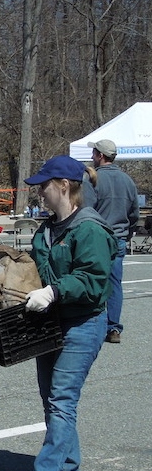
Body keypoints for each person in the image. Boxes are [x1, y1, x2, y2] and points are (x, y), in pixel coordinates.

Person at [10, 155, 114, 471]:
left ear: (64, 186)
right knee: (51, 399)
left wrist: (54, 291)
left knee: (61, 399)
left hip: (83, 322)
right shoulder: (47, 229)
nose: (40, 191)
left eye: (44, 185)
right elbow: (37, 271)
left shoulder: (90, 229)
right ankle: (68, 467)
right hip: (50, 322)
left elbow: (94, 281)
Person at [81, 139, 139, 344]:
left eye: (94, 152)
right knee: (115, 284)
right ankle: (113, 328)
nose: (92, 156)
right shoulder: (127, 180)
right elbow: (134, 213)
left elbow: (85, 210)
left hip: (97, 238)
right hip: (120, 238)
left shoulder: (92, 179)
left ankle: (90, 325)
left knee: (90, 280)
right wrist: (128, 231)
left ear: (100, 156)